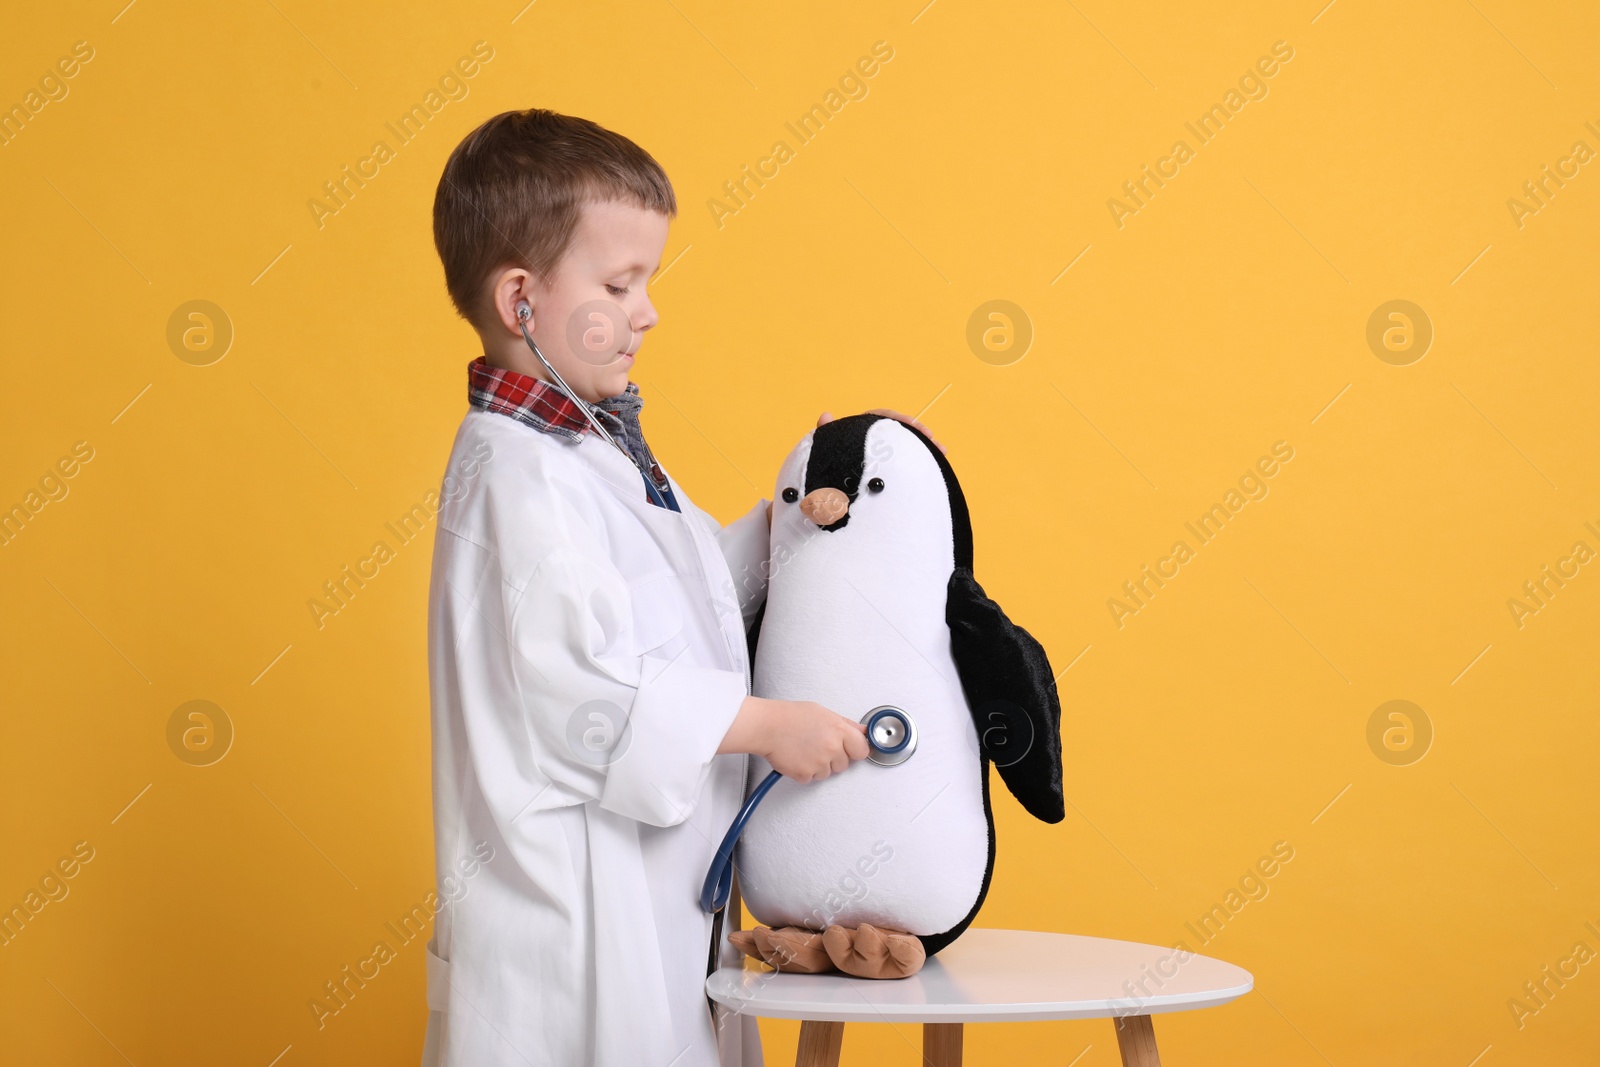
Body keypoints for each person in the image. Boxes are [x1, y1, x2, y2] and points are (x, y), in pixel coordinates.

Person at [420, 109, 939, 1067]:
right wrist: (761, 724)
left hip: (648, 910)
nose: (648, 309)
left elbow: (689, 601)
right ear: (522, 299)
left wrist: (797, 518)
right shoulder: (513, 476)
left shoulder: (590, 451)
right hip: (570, 935)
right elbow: (575, 693)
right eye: (620, 284)